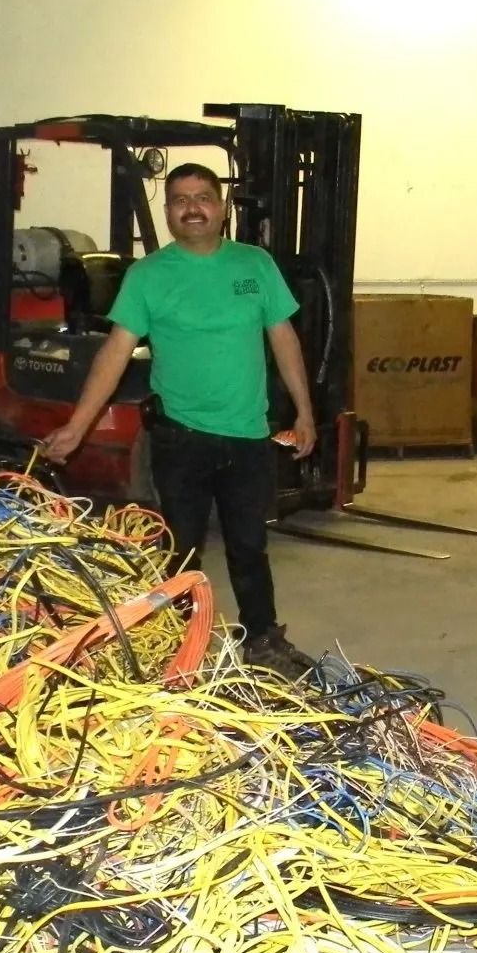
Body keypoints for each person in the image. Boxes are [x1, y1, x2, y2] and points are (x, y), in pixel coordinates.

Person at [42, 162, 318, 676]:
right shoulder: (148, 276)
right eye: (180, 199)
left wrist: (305, 412)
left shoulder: (255, 265)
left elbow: (284, 339)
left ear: (222, 206)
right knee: (180, 548)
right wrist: (79, 426)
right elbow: (115, 353)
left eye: (204, 197)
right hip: (181, 440)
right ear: (168, 211)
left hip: (248, 437)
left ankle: (262, 639)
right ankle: (177, 645)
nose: (192, 207)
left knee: (249, 546)